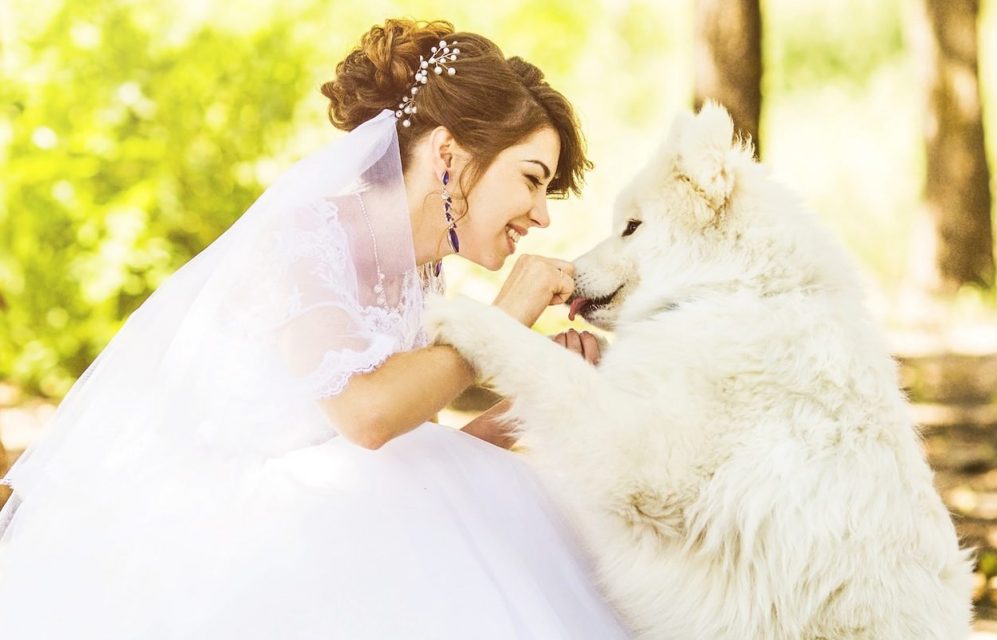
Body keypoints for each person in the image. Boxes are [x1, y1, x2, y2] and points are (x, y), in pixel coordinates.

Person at [0, 18, 631, 639]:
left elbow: (416, 456)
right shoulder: (304, 243)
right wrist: (501, 322)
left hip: (340, 520)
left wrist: (531, 403)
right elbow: (367, 416)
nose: (542, 215)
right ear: (448, 152)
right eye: (531, 179)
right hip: (230, 544)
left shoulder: (423, 273)